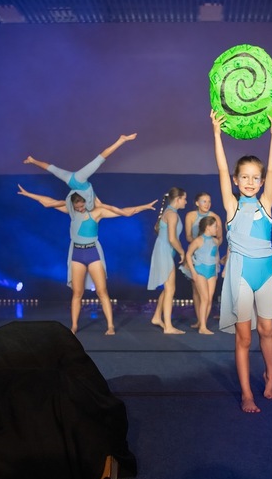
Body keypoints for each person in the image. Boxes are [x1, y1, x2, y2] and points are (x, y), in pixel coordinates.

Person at [212, 107, 272, 414]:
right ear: (237, 181)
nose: (251, 182)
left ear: (262, 181)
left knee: (266, 330)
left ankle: (270, 375)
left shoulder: (266, 203)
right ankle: (246, 393)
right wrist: (216, 134)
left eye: (256, 177)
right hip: (239, 273)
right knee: (243, 335)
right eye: (245, 177)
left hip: (265, 272)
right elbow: (221, 169)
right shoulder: (231, 206)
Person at [17, 186, 156, 335]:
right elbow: (49, 202)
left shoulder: (97, 212)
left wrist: (144, 207)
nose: (80, 208)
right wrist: (28, 194)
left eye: (82, 205)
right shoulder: (71, 212)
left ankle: (110, 326)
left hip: (93, 253)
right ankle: (74, 326)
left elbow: (126, 212)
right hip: (77, 254)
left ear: (87, 202)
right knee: (77, 293)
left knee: (102, 291)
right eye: (77, 206)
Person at [24, 133, 137, 211]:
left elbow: (106, 207)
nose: (80, 209)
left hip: (76, 180)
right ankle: (32, 160)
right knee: (52, 168)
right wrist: (123, 212)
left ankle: (32, 160)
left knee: (98, 160)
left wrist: (50, 203)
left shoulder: (89, 204)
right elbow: (108, 207)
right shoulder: (92, 204)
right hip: (73, 181)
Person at [148, 187, 188, 334]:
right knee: (170, 289)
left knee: (167, 287)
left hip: (164, 250)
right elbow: (172, 238)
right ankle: (168, 326)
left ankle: (157, 317)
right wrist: (182, 251)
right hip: (164, 251)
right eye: (184, 198)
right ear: (177, 199)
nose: (186, 201)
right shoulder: (172, 214)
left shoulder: (170, 213)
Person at [184, 192, 224, 328]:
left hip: (211, 257)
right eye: (204, 201)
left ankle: (203, 323)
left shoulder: (215, 217)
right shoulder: (190, 216)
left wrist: (211, 245)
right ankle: (199, 322)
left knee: (208, 295)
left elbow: (220, 238)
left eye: (209, 201)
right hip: (197, 255)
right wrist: (199, 243)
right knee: (197, 291)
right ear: (197, 203)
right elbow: (188, 236)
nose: (207, 204)